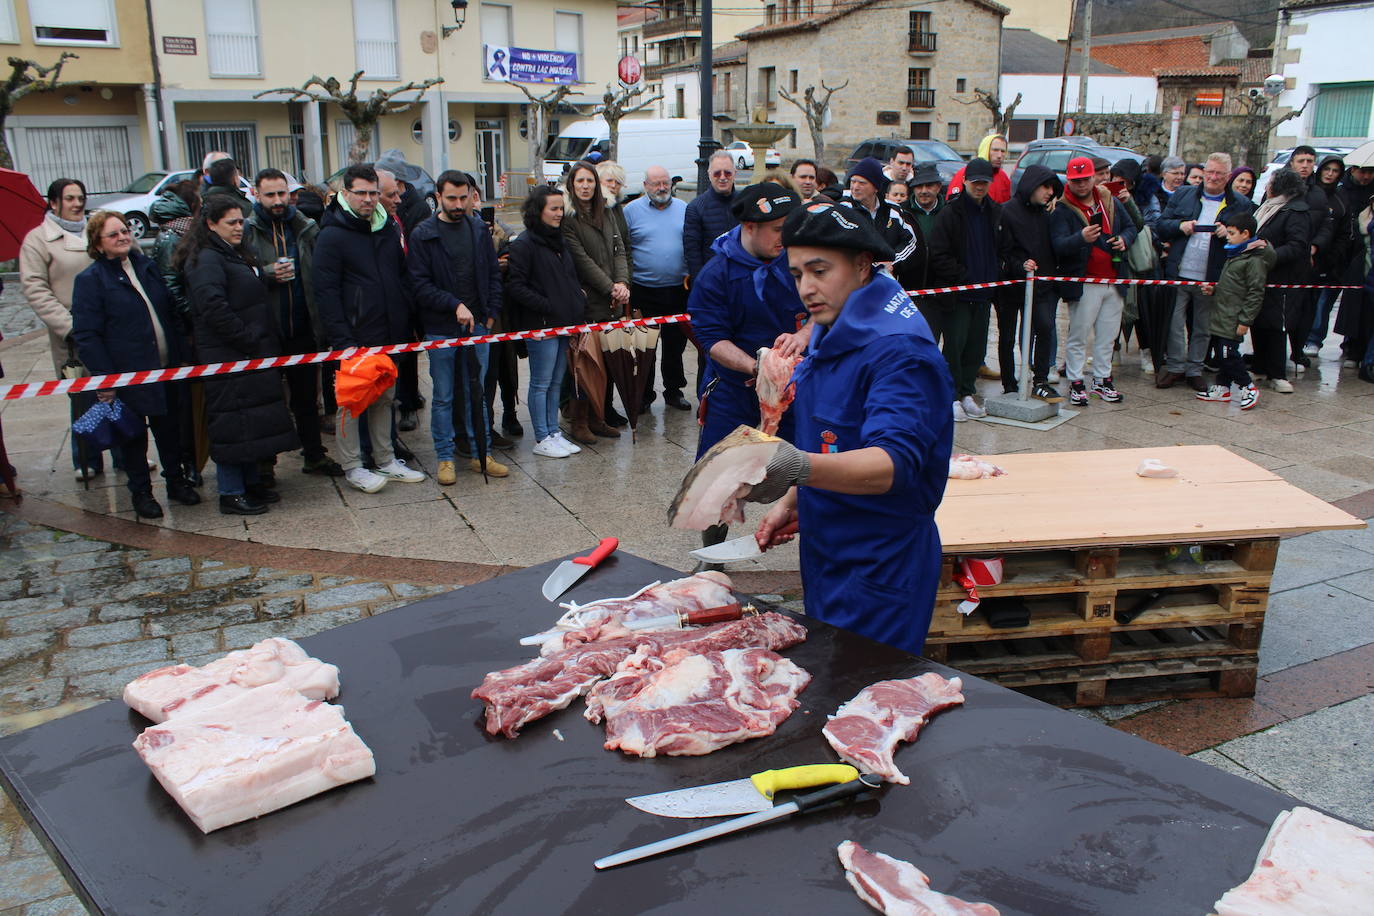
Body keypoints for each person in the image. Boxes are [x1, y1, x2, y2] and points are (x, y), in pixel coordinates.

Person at [744, 199, 954, 656]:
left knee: (867, 693)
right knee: (826, 681)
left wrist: (793, 467)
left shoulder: (899, 352)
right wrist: (795, 499)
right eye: (798, 273)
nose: (806, 288)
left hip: (881, 564)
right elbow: (830, 438)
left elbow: (891, 465)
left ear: (862, 265)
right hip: (826, 551)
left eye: (820, 270)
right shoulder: (832, 324)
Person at [687, 184, 809, 547]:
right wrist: (759, 368)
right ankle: (712, 556)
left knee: (813, 466)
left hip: (797, 387)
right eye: (777, 228)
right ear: (750, 226)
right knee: (718, 479)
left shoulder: (798, 259)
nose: (785, 237)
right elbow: (712, 340)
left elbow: (831, 302)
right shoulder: (715, 274)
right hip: (734, 391)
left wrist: (804, 337)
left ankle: (821, 544)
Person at [176, 198, 302, 514]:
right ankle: (231, 491)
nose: (239, 226)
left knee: (249, 424)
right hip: (230, 356)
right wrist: (247, 339)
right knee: (232, 425)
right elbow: (214, 308)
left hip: (249, 355)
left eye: (240, 221)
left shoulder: (230, 254)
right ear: (210, 224)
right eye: (231, 222)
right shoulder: (206, 260)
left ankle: (250, 484)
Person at [72, 211, 196, 519]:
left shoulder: (146, 266)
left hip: (166, 367)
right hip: (128, 374)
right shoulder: (91, 281)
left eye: (125, 230)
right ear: (97, 244)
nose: (123, 237)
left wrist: (180, 353)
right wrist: (105, 378)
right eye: (113, 234)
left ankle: (176, 481)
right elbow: (87, 334)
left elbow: (169, 312)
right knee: (133, 438)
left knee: (170, 431)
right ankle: (141, 492)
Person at [314, 163, 426, 492]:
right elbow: (325, 292)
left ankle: (386, 459)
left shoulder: (387, 228)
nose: (368, 199)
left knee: (384, 398)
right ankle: (353, 466)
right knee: (352, 403)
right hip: (353, 336)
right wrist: (342, 339)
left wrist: (406, 320)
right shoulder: (332, 235)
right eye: (361, 193)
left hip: (390, 333)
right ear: (345, 194)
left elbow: (401, 277)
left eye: (373, 193)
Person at [408, 169, 508, 485]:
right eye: (451, 198)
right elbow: (420, 285)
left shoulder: (478, 229)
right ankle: (445, 458)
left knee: (476, 393)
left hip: (478, 325)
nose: (458, 204)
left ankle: (482, 453)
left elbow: (493, 275)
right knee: (444, 396)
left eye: (464, 197)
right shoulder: (423, 234)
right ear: (438, 196)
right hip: (441, 327)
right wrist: (454, 304)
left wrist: (489, 316)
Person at [243, 168, 342, 479]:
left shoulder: (305, 226)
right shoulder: (247, 230)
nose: (277, 200)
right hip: (266, 332)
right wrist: (267, 273)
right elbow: (239, 278)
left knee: (306, 400)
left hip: (303, 327)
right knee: (269, 401)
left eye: (282, 193)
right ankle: (265, 465)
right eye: (270, 194)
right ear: (256, 195)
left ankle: (314, 454)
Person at [19, 177, 98, 479]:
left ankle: (125, 454)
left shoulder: (98, 230)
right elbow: (35, 288)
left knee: (120, 387)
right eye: (69, 199)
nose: (77, 204)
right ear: (54, 203)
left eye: (80, 197)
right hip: (73, 333)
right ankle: (87, 457)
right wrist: (69, 326)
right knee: (82, 396)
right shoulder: (38, 240)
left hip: (108, 326)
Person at [1154, 153, 1251, 391]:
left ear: (1228, 176)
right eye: (1209, 172)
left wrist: (1227, 234)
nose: (1213, 177)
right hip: (1180, 271)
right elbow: (1161, 226)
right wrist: (1180, 226)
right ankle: (1176, 366)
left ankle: (1194, 369)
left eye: (1218, 173)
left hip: (1212, 276)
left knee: (1203, 326)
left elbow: (1248, 240)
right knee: (1175, 324)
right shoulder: (1184, 194)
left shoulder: (1240, 203)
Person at [507, 186, 588, 458]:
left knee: (555, 381)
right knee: (541, 383)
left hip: (563, 323)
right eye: (553, 208)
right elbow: (516, 287)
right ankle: (541, 436)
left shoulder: (559, 242)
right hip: (541, 325)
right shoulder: (524, 245)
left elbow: (569, 279)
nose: (558, 213)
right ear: (538, 211)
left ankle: (553, 431)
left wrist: (576, 304)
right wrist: (549, 306)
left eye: (560, 208)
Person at [1051, 156, 1137, 406]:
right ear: (1069, 179)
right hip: (1085, 280)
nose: (1081, 185)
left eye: (1085, 179)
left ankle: (1102, 378)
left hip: (1114, 277)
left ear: (1093, 178)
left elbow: (1132, 227)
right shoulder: (1063, 208)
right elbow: (1058, 245)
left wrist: (1124, 240)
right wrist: (1081, 237)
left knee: (1108, 335)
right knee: (1079, 333)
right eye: (1076, 180)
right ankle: (1076, 380)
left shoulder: (1108, 199)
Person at [928, 158, 1004, 421]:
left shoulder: (995, 211)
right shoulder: (950, 213)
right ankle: (951, 396)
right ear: (965, 182)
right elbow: (938, 254)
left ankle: (967, 392)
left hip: (984, 294)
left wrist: (995, 274)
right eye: (975, 182)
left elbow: (1001, 247)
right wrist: (962, 276)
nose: (980, 187)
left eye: (984, 182)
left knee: (976, 347)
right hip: (958, 294)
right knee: (954, 348)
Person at [563, 159, 631, 442]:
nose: (585, 186)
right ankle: (579, 422)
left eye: (589, 180)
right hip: (587, 301)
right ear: (572, 185)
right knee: (585, 364)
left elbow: (619, 250)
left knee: (606, 364)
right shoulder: (569, 220)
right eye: (580, 181)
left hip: (612, 302)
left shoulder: (609, 212)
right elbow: (582, 261)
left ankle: (598, 417)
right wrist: (610, 287)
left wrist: (623, 283)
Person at [150, 180, 207, 485]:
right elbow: (173, 287)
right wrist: (195, 318)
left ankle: (192, 460)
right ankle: (189, 463)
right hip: (185, 335)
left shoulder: (174, 231)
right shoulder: (176, 236)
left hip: (188, 331)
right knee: (186, 406)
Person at [624, 165, 691, 414]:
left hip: (677, 290)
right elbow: (623, 249)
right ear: (645, 186)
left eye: (665, 183)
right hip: (644, 290)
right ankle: (643, 395)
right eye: (655, 184)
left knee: (675, 346)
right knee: (645, 348)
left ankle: (674, 391)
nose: (662, 188)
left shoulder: (684, 209)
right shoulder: (631, 212)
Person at [1195, 212, 1274, 411]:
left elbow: (1255, 293)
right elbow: (1233, 286)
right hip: (1223, 314)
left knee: (1227, 354)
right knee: (1222, 353)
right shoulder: (1237, 255)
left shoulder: (1253, 260)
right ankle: (1223, 387)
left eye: (1231, 233)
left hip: (1233, 317)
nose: (1227, 236)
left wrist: (1245, 321)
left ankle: (1247, 387)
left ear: (1245, 234)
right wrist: (1214, 290)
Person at [997, 165, 1064, 402]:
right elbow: (1002, 252)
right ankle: (1009, 383)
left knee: (1044, 327)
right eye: (1045, 187)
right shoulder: (1006, 212)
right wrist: (1019, 265)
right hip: (1010, 287)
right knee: (1007, 335)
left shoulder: (1046, 215)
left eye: (1052, 189)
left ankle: (1041, 380)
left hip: (1038, 286)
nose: (1049, 192)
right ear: (1032, 185)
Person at [1250, 168, 1313, 393]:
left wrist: (1269, 252)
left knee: (1277, 326)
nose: (1267, 186)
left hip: (1282, 278)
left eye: (1271, 182)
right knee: (1258, 321)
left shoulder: (1296, 211)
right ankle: (1259, 365)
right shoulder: (1267, 207)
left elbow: (1297, 246)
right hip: (1261, 276)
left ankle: (1276, 373)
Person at [1303, 154, 1349, 359]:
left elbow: (1343, 231)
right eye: (1327, 169)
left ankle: (1313, 339)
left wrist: (1334, 256)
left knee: (1322, 304)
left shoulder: (1340, 198)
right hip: (1304, 256)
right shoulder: (1307, 191)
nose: (1330, 174)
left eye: (1335, 171)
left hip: (1329, 260)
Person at [844, 157, 919, 271]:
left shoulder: (893, 210)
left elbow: (910, 241)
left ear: (875, 187)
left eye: (862, 183)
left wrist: (893, 261)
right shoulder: (843, 209)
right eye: (853, 181)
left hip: (884, 279)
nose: (855, 187)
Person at [1333, 164, 1374, 367]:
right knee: (1357, 310)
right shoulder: (1347, 197)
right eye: (1363, 171)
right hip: (1358, 265)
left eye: (1370, 172)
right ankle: (1353, 348)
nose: (1366, 176)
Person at [684, 151, 739, 280]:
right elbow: (693, 254)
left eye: (727, 172)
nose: (722, 177)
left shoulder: (745, 203)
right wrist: (700, 284)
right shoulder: (696, 207)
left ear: (735, 174)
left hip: (741, 279)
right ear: (709, 175)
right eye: (717, 173)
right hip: (712, 280)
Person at [947, 134, 1011, 203]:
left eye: (1003, 151)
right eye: (995, 150)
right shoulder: (965, 173)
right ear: (985, 150)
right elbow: (951, 205)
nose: (999, 155)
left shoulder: (1003, 177)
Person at [907, 164, 945, 238]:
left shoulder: (949, 211)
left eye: (929, 185)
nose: (924, 191)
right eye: (919, 186)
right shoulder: (902, 212)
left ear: (939, 187)